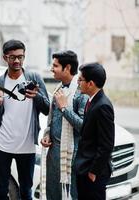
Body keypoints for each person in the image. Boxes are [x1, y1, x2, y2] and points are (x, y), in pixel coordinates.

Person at [0, 39, 50, 200]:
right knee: (1, 191)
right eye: (13, 57)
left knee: (25, 192)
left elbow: (47, 109)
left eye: (20, 57)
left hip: (27, 146)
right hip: (3, 145)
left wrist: (37, 97)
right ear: (5, 58)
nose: (17, 61)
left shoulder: (34, 78)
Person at [40, 50, 88, 200]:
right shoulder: (58, 89)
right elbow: (52, 120)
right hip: (53, 155)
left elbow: (83, 126)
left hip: (72, 158)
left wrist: (64, 108)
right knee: (52, 195)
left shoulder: (82, 93)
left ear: (67, 68)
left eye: (55, 66)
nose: (51, 69)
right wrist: (47, 134)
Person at [74, 62, 115, 200]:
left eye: (80, 80)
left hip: (93, 172)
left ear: (90, 83)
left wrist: (93, 171)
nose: (78, 83)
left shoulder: (103, 106)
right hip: (84, 167)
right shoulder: (91, 100)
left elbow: (107, 144)